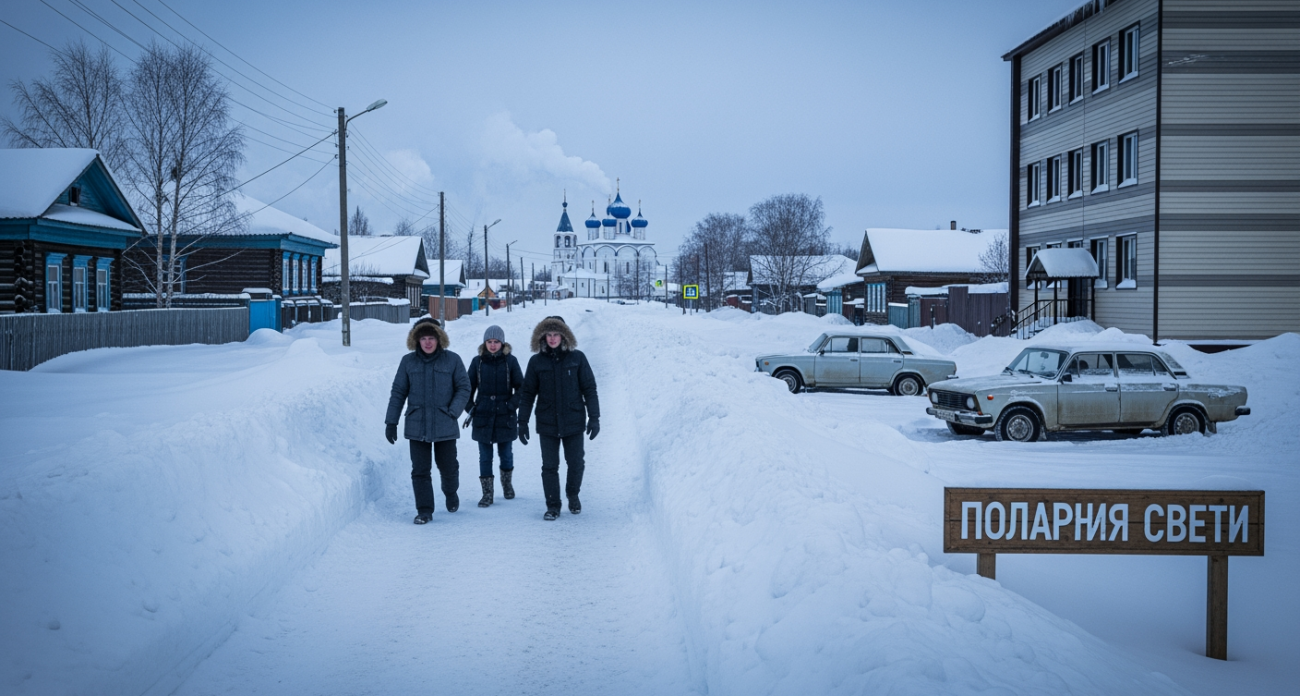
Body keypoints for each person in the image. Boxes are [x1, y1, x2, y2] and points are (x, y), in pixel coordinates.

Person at [385, 317, 471, 524]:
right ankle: (424, 510)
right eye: (423, 338)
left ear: (439, 338)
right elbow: (398, 392)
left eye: (432, 337)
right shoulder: (408, 362)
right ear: (416, 340)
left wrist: (453, 411)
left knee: (448, 467)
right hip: (417, 425)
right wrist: (391, 422)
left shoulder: (453, 360)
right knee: (420, 470)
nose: (428, 342)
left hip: (445, 423)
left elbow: (464, 387)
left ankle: (451, 493)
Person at [518, 316, 600, 521]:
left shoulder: (577, 358)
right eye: (549, 334)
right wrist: (522, 421)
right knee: (549, 466)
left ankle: (572, 494)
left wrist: (594, 417)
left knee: (576, 463)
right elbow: (527, 393)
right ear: (542, 336)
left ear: (564, 335)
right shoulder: (536, 362)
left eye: (556, 334)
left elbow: (589, 388)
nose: (552, 338)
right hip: (547, 422)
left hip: (573, 420)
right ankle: (553, 505)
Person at [463, 325, 523, 508]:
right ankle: (487, 494)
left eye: (496, 342)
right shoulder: (477, 362)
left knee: (506, 454)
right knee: (485, 456)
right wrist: (472, 408)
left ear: (502, 342)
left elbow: (521, 387)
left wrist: (511, 405)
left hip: (505, 416)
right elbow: (466, 388)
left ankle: (507, 484)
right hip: (483, 415)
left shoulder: (510, 362)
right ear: (485, 343)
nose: (493, 345)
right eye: (489, 342)